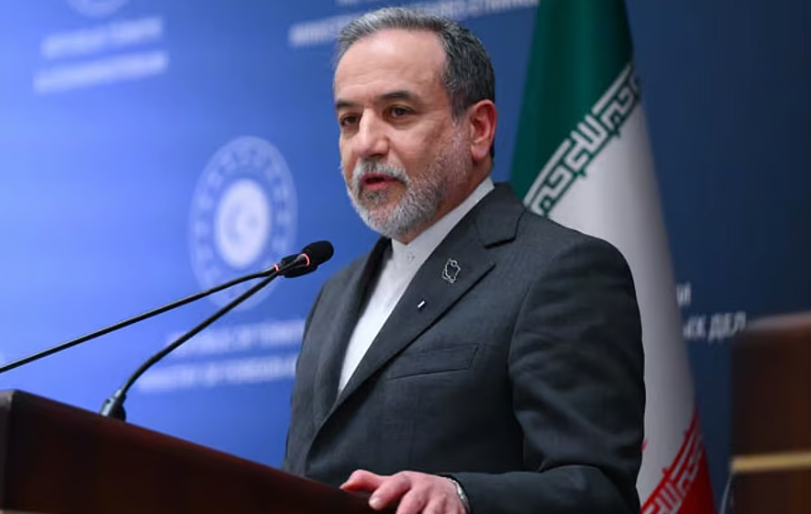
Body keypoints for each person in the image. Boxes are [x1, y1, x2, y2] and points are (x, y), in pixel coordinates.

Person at [283, 7, 645, 514]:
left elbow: (598, 493)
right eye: (350, 120)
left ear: (477, 128)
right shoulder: (334, 294)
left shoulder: (560, 271)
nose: (366, 143)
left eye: (398, 112)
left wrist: (463, 497)